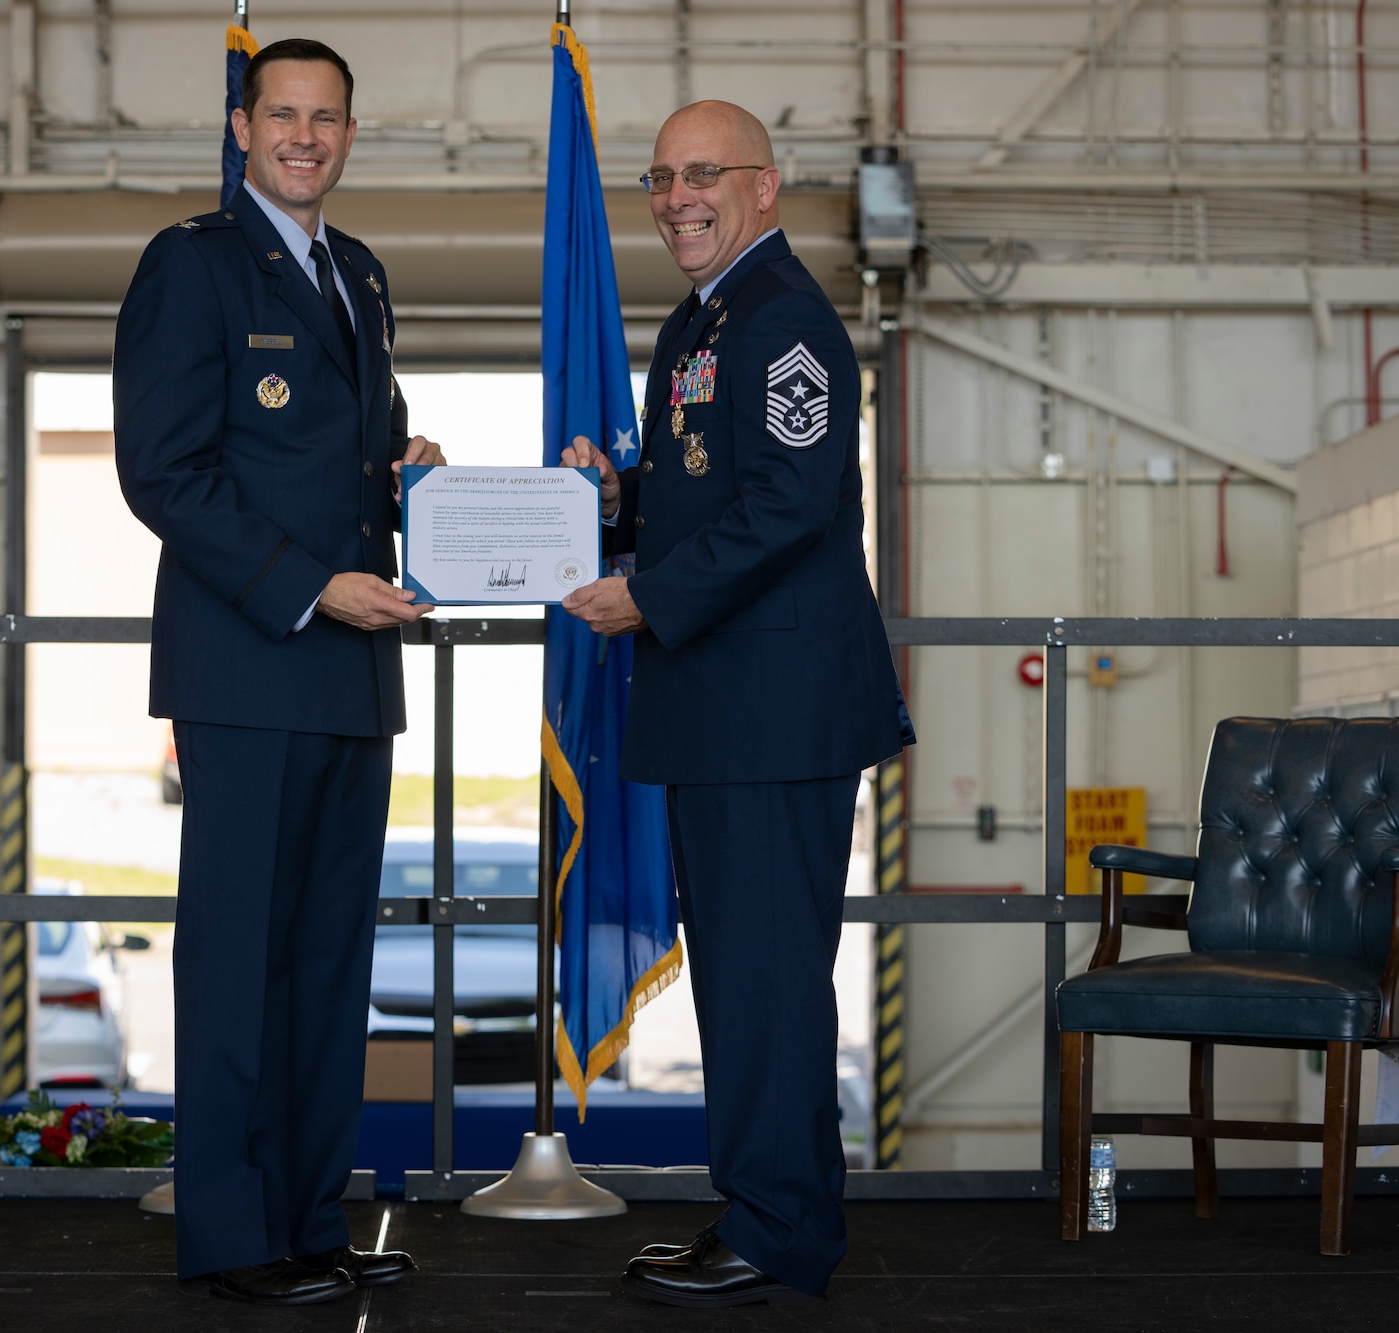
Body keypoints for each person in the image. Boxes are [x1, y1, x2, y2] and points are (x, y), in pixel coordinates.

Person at [561, 100, 915, 1309]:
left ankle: (781, 1228)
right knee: (744, 978)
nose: (675, 197)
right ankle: (761, 1207)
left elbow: (789, 506)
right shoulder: (702, 321)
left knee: (764, 978)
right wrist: (616, 499)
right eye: (659, 178)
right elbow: (709, 488)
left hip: (775, 710)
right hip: (727, 709)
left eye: (701, 174)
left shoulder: (785, 319)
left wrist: (645, 597)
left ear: (765, 187)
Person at [114, 37, 442, 1307]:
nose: (306, 137)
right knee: (239, 965)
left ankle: (309, 1222)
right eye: (283, 115)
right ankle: (236, 1237)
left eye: (329, 119)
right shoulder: (189, 266)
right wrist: (310, 586)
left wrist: (404, 472)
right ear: (244, 126)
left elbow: (335, 462)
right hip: (253, 666)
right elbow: (165, 473)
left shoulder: (354, 273)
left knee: (324, 970)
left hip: (353, 676)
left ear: (350, 134)